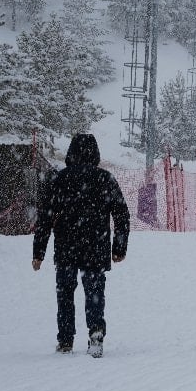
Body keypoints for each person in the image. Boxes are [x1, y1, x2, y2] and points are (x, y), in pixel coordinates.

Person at [32, 134, 130, 358]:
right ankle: (95, 333)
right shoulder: (106, 179)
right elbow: (121, 214)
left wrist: (39, 252)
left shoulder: (59, 179)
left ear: (71, 153)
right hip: (96, 245)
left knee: (65, 292)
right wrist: (119, 247)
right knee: (94, 291)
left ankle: (65, 340)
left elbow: (45, 217)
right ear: (95, 153)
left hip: (66, 246)